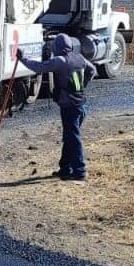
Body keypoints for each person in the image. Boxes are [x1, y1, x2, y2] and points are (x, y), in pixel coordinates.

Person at [17, 35, 96, 181]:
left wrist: (22, 59)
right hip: (81, 104)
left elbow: (39, 67)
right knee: (70, 137)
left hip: (70, 106)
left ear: (57, 47)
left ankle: (80, 171)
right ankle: (65, 169)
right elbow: (92, 70)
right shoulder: (79, 58)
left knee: (73, 138)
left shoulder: (60, 61)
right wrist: (82, 85)